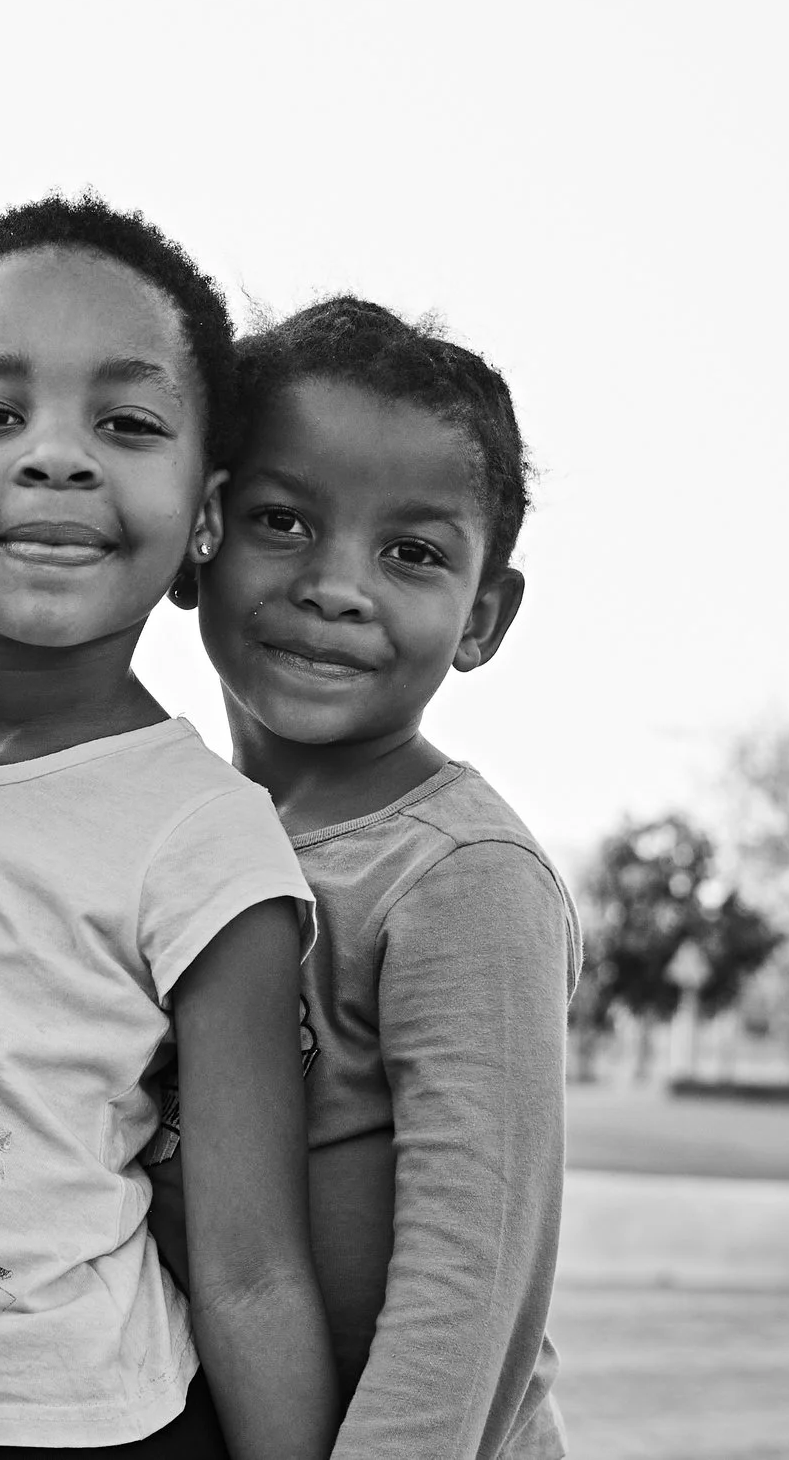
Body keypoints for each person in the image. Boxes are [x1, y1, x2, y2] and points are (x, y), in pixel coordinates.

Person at [0, 196, 338, 1460]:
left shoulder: (206, 835)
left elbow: (253, 1266)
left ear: (203, 512)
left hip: (88, 1430)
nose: (58, 457)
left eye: (128, 422)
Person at [179, 296, 581, 1460]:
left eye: (410, 552)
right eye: (283, 520)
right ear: (196, 538)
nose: (336, 585)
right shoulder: (175, 832)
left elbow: (468, 1291)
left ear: (483, 617)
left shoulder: (462, 878)